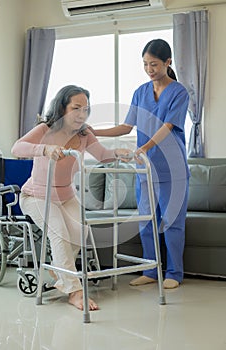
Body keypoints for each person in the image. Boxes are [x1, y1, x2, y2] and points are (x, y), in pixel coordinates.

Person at [11, 85, 132, 310]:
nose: (81, 114)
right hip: (37, 196)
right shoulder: (45, 129)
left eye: (85, 109)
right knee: (59, 231)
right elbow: (17, 148)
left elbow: (103, 155)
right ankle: (74, 292)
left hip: (66, 196)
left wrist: (118, 153)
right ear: (62, 107)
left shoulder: (85, 134)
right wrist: (45, 150)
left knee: (80, 231)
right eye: (76, 108)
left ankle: (60, 270)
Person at [90, 39, 190, 289]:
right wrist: (94, 133)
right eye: (145, 64)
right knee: (146, 220)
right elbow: (126, 127)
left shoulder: (179, 92)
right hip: (146, 169)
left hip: (172, 169)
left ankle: (174, 274)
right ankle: (150, 270)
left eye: (154, 64)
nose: (149, 69)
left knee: (172, 221)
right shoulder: (140, 92)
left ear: (168, 62)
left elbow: (168, 126)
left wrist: (144, 147)